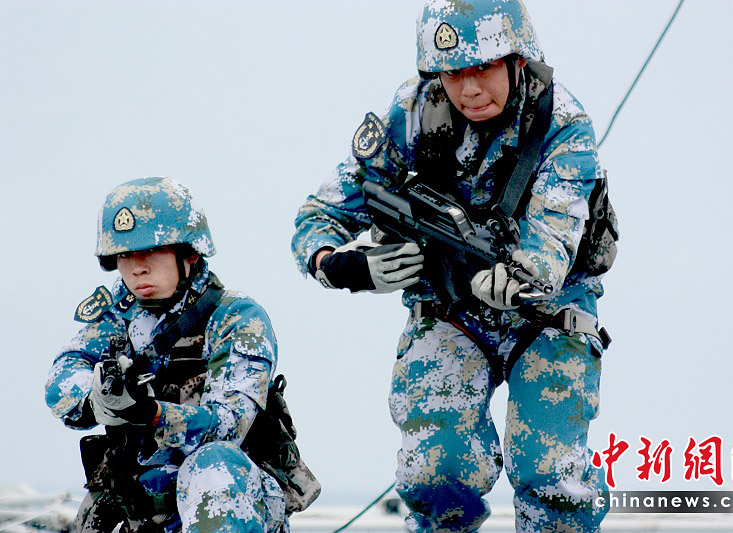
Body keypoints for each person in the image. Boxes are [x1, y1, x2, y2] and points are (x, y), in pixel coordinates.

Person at [291, 0, 615, 531]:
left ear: (517, 60)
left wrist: (517, 277)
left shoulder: (563, 123)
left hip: (547, 312)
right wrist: (344, 265)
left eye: (483, 68)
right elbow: (319, 214)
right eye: (453, 73)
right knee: (436, 472)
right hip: (448, 312)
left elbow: (551, 240)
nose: (469, 89)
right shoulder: (412, 113)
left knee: (550, 474)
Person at [46, 177, 292, 532]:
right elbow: (64, 372)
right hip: (137, 506)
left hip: (223, 501)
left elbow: (230, 424)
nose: (137, 267)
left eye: (151, 251)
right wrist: (98, 398)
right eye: (125, 255)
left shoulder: (236, 317)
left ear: (189, 253)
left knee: (214, 464)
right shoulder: (119, 313)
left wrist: (151, 413)